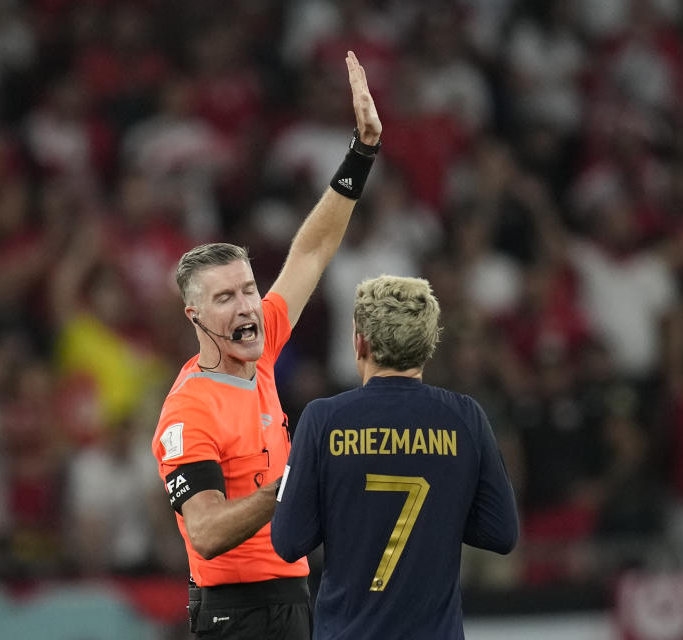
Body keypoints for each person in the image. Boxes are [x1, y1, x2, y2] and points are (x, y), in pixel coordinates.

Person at [150, 51, 382, 640]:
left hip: (292, 598)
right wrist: (290, 482)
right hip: (236, 613)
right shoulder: (189, 411)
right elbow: (203, 531)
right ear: (194, 315)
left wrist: (361, 154)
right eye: (225, 298)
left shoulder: (265, 346)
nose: (248, 306)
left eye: (250, 289)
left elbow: (310, 251)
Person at [271, 275, 519, 640]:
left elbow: (288, 541)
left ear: (360, 342)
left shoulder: (323, 419)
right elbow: (502, 533)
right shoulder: (466, 417)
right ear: (428, 345)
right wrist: (441, 516)